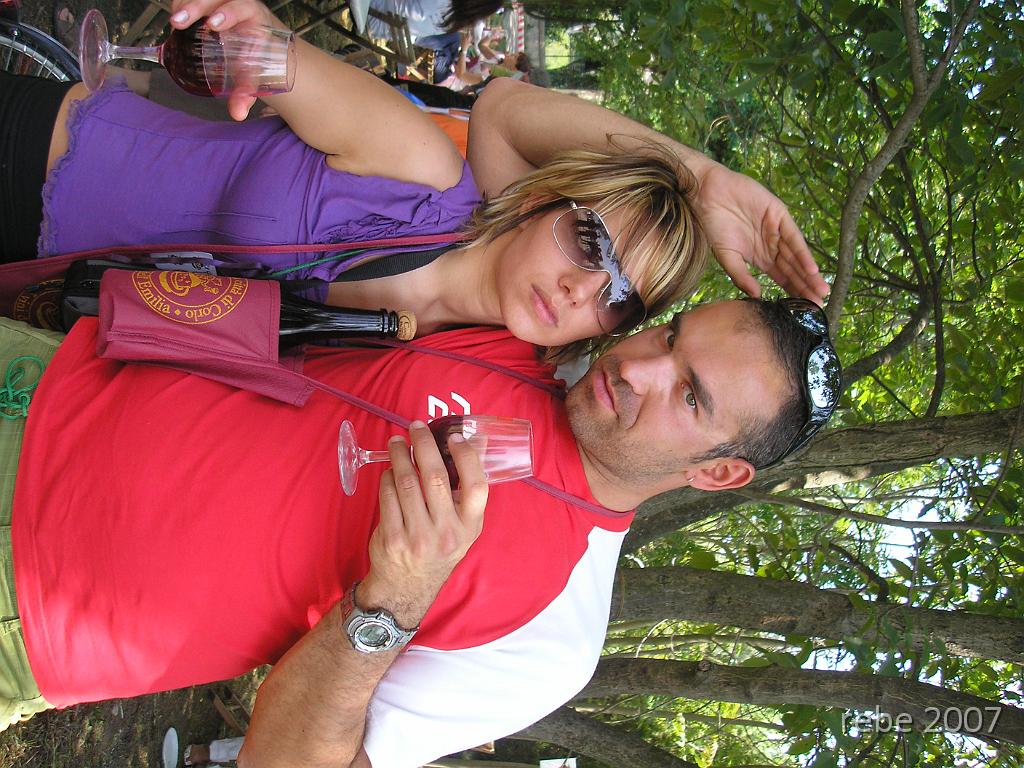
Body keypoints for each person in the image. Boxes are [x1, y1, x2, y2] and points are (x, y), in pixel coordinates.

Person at [0, 287, 841, 766]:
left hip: (36, 603)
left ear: (718, 472)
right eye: (670, 334)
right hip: (45, 382)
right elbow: (502, 119)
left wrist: (394, 600)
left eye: (689, 395)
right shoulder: (534, 334)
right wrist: (701, 178)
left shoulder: (556, 638)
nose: (640, 367)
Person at [1, 0, 827, 363]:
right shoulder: (421, 171)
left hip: (43, 313)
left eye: (619, 298)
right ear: (548, 197)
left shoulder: (461, 359)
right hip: (39, 162)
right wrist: (699, 174)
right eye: (591, 243)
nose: (583, 291)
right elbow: (280, 58)